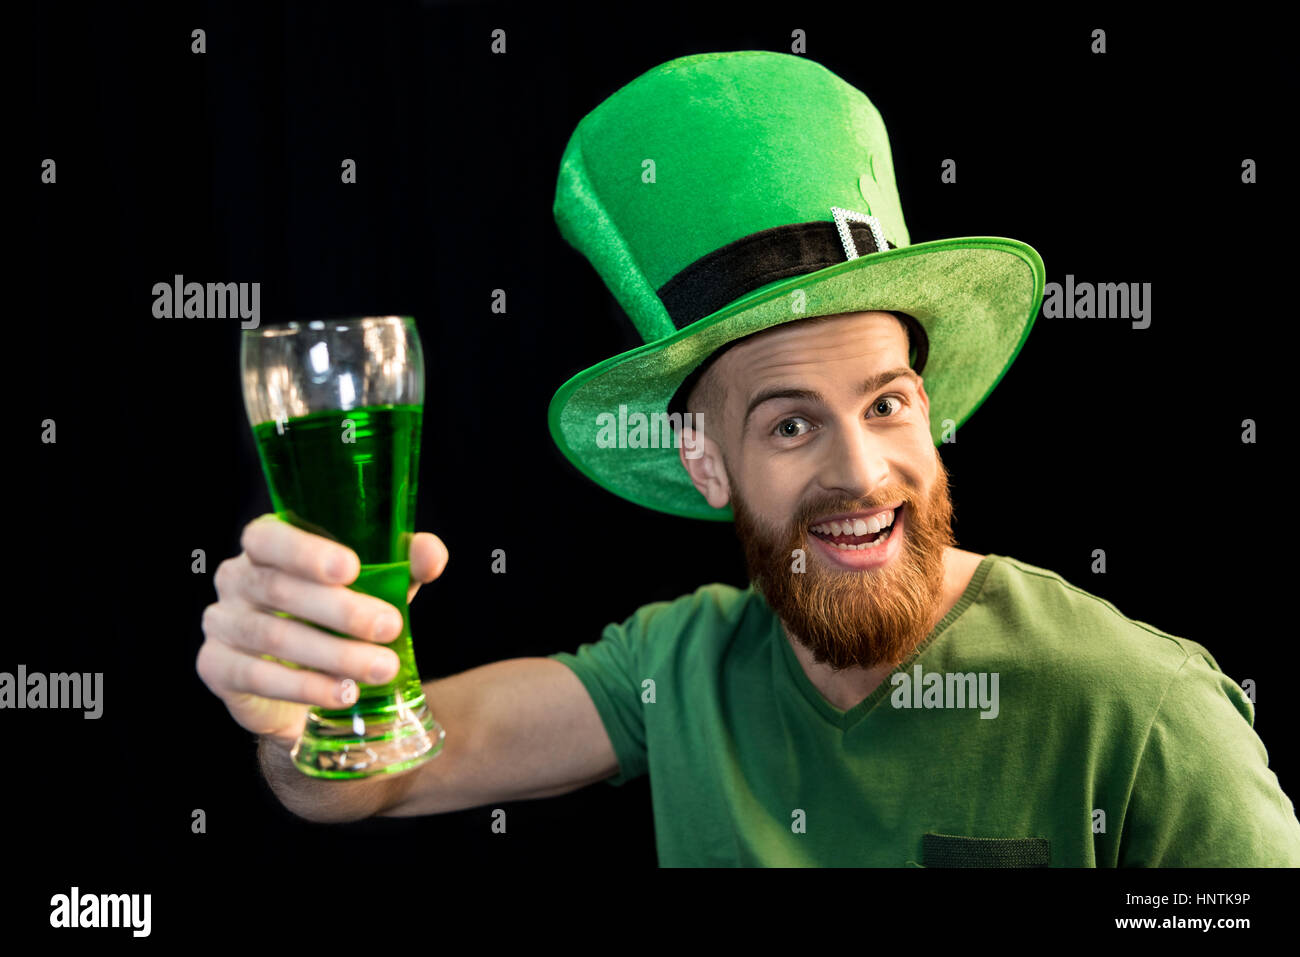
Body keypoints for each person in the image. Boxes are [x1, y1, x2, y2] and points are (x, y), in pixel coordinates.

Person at [197, 51, 1300, 866]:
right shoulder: (673, 673)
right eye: (787, 423)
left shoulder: (1143, 713)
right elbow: (368, 788)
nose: (861, 473)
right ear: (707, 462)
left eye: (886, 403)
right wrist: (304, 710)